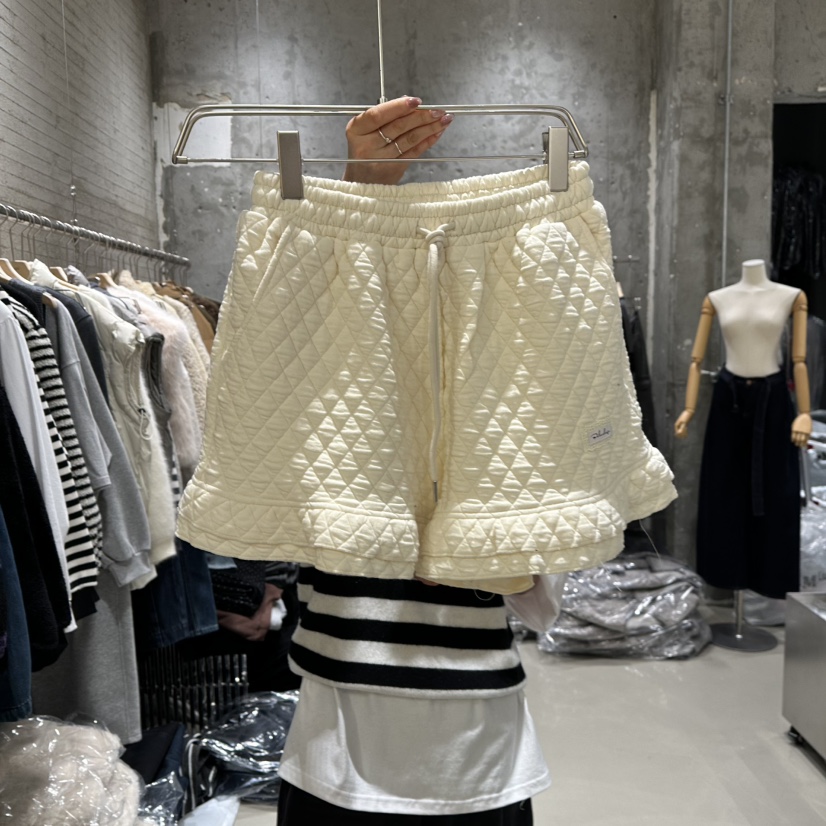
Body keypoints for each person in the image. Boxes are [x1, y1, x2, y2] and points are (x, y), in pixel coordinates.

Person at [275, 96, 563, 825]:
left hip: (476, 747)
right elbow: (282, 368)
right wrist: (360, 189)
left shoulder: (504, 396)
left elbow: (542, 602)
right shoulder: (329, 387)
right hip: (338, 739)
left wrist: (482, 546)